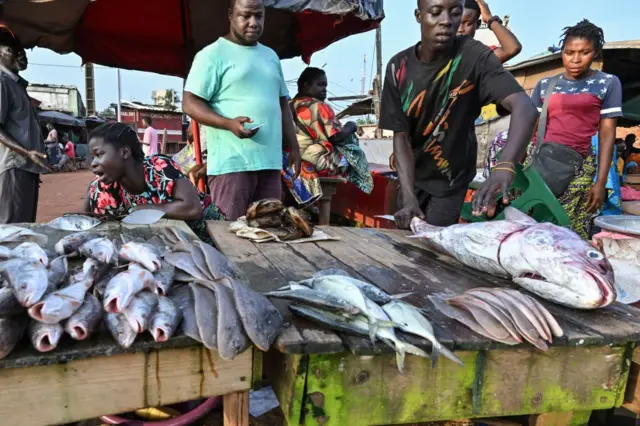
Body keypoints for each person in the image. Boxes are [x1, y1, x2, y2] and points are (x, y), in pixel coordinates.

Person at [380, 0, 538, 229]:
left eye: (455, 13)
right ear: (419, 15)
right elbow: (400, 135)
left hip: (451, 177)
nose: (446, 21)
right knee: (403, 243)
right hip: (411, 172)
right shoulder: (399, 68)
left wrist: (505, 166)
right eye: (435, 13)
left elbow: (525, 106)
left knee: (433, 248)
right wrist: (407, 195)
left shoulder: (474, 57)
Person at [182, 0, 301, 221]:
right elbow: (189, 103)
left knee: (269, 232)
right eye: (245, 16)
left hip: (270, 164)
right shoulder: (212, 55)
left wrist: (294, 146)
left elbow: (282, 103)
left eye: (259, 16)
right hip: (232, 164)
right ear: (230, 15)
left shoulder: (271, 57)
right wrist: (228, 123)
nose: (253, 23)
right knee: (230, 235)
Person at [84, 123, 225, 242]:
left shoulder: (158, 167)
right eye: (92, 157)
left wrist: (144, 209)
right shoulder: (100, 190)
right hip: (174, 242)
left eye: (99, 154)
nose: (93, 164)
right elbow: (86, 224)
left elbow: (193, 208)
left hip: (209, 232)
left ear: (125, 153)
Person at [284, 67, 373, 206]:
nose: (324, 89)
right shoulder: (319, 106)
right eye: (320, 85)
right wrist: (351, 126)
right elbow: (336, 137)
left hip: (290, 158)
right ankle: (361, 184)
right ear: (306, 85)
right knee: (353, 151)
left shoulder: (289, 105)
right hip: (317, 160)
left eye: (325, 85)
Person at [0, 26, 51, 223]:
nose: (20, 53)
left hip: (26, 167)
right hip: (14, 167)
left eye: (21, 49)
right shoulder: (3, 83)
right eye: (12, 48)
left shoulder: (17, 85)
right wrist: (26, 153)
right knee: (12, 230)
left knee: (26, 227)